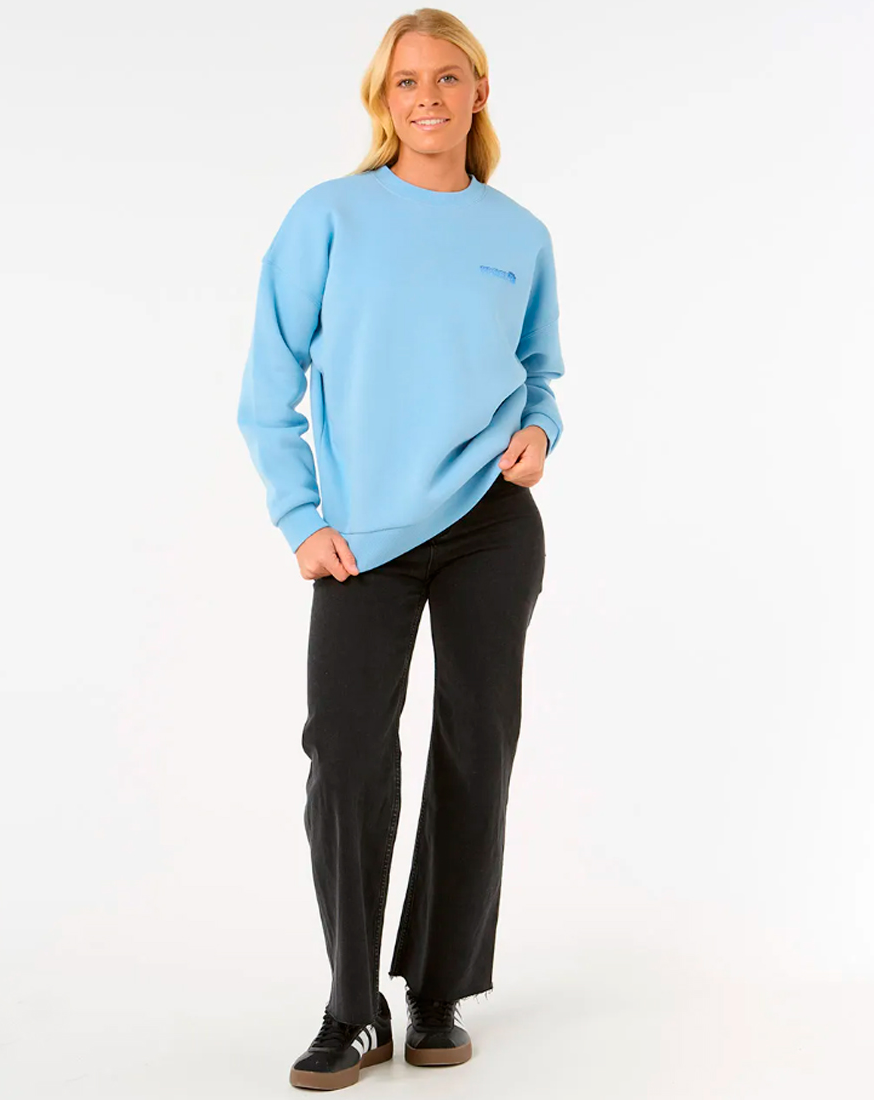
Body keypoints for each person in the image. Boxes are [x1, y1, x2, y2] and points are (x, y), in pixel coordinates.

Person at [236, 8, 565, 1091]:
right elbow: (266, 390)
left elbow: (539, 373)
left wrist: (540, 431)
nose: (427, 96)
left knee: (477, 749)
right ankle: (352, 1006)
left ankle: (436, 990)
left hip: (489, 527)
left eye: (448, 77)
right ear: (383, 98)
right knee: (344, 754)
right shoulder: (330, 216)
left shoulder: (518, 234)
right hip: (362, 538)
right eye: (407, 79)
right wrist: (301, 518)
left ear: (480, 92)